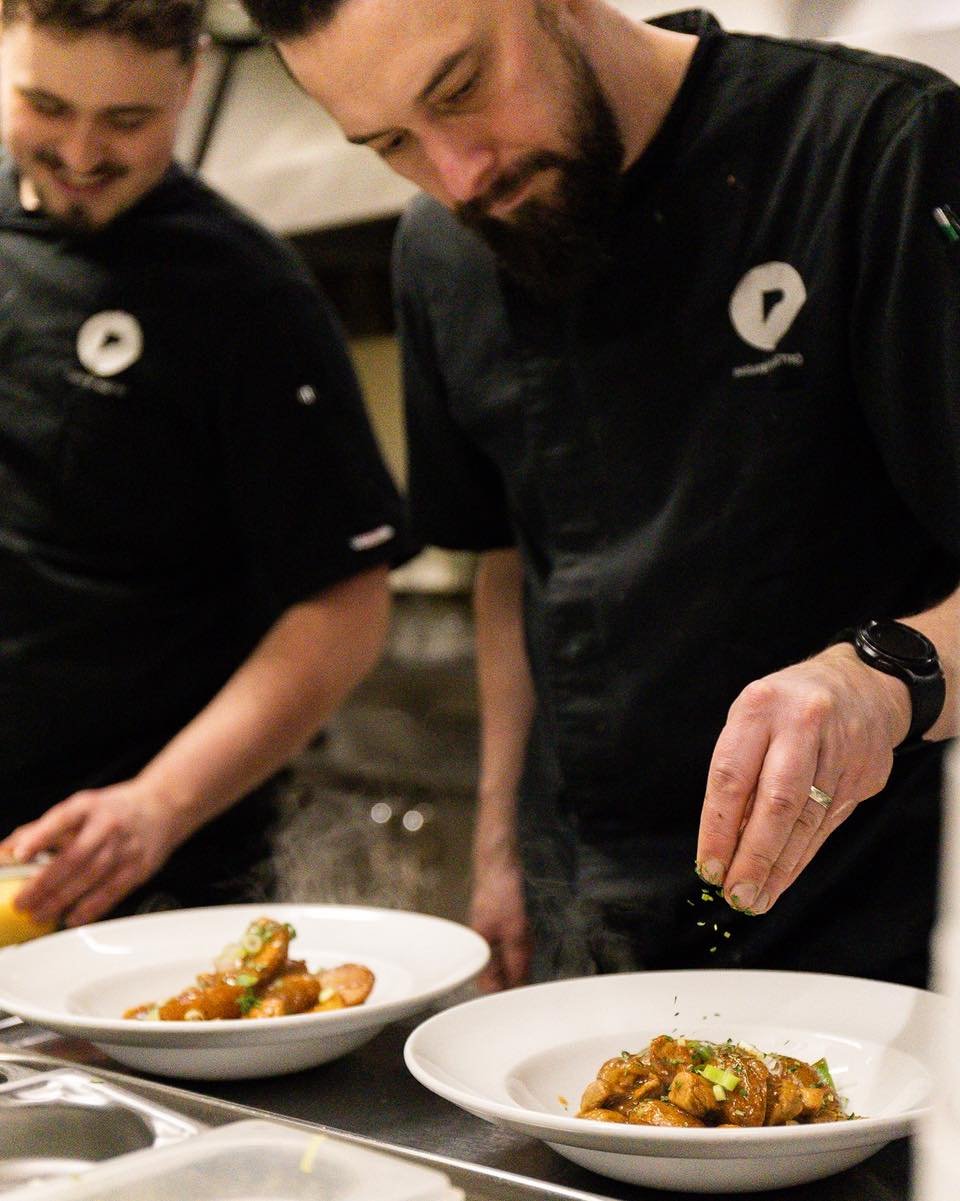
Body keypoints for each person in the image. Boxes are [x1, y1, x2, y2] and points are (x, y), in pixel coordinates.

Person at [242, 0, 960, 990]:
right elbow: (510, 560)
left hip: (866, 920)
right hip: (582, 913)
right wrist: (497, 843)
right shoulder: (440, 250)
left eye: (461, 88)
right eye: (391, 144)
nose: (458, 176)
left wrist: (881, 681)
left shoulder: (875, 147)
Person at [0, 0, 412, 930]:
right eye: (46, 107)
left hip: (136, 886)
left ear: (190, 79)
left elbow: (346, 606)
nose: (80, 152)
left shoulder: (248, 299)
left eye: (127, 119)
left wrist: (158, 804)